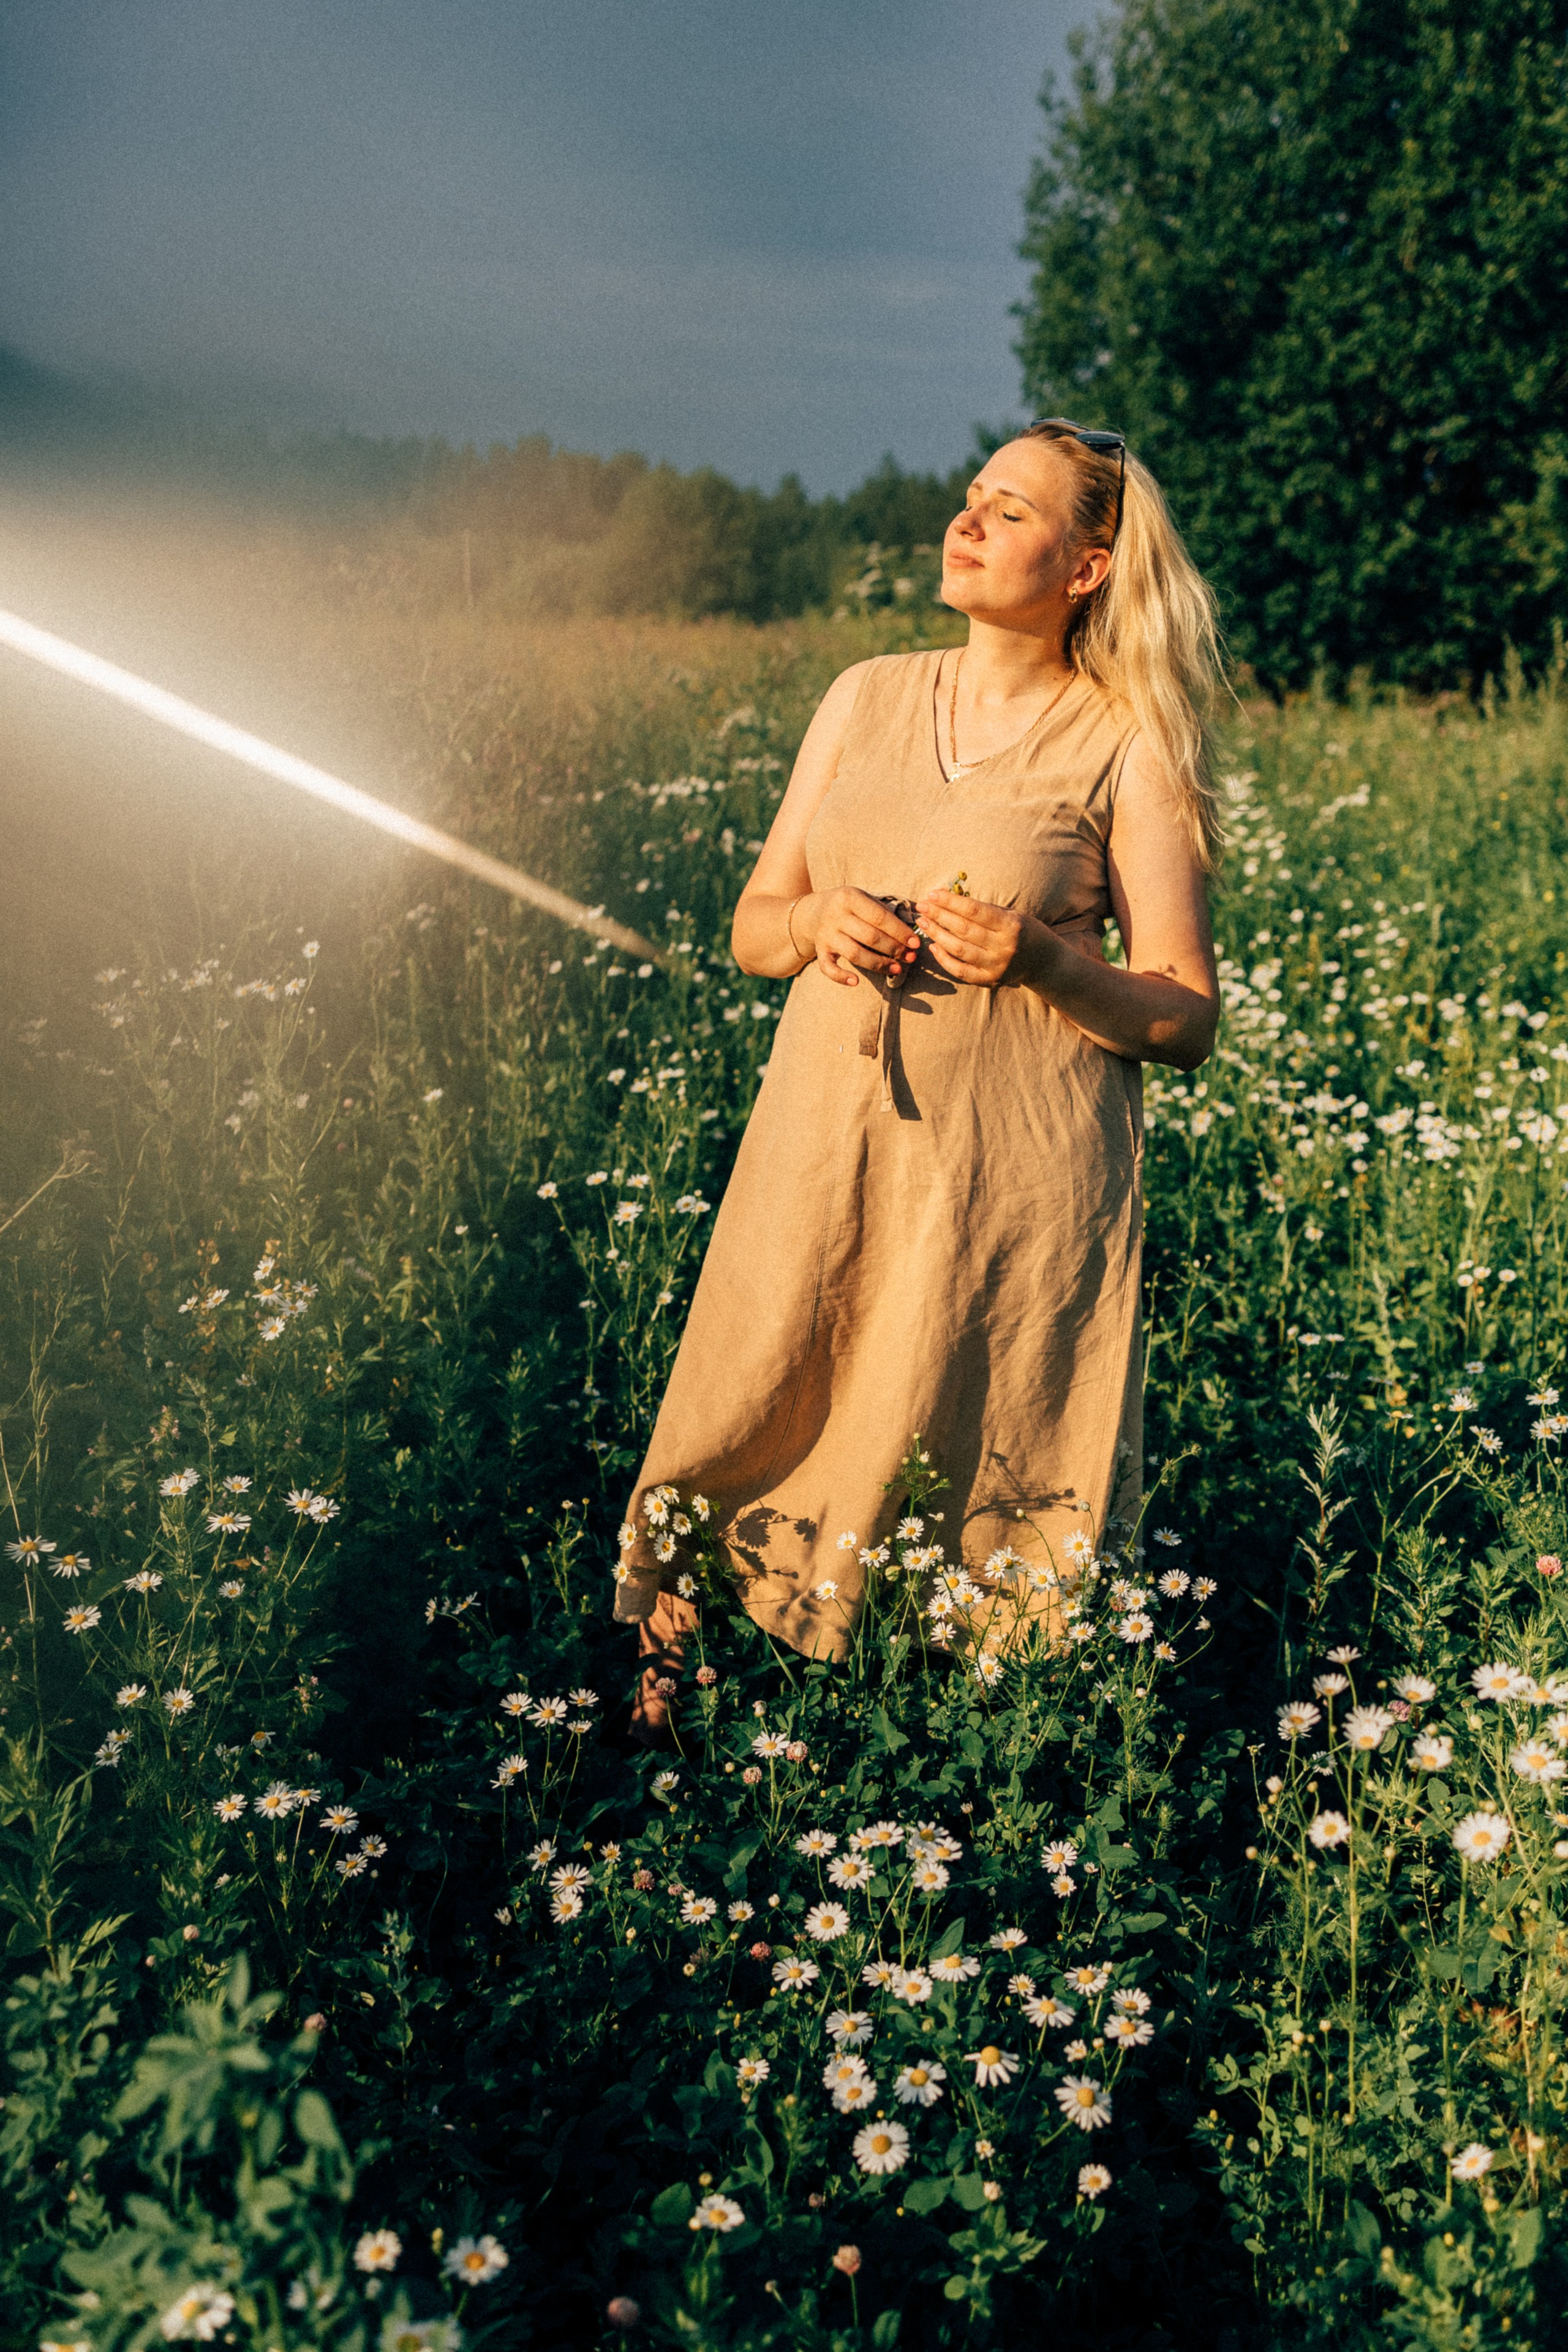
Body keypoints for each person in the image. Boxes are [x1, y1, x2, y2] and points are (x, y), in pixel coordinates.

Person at [616, 420, 1223, 1743]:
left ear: (1085, 565)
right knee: (760, 1382)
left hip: (1008, 1179)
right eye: (970, 499)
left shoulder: (1125, 741)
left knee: (970, 1452)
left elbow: (1182, 1016)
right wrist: (820, 920)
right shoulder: (864, 693)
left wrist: (1042, 964)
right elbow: (750, 926)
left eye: (1010, 512)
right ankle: (685, 1723)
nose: (968, 522)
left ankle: (941, 1750)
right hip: (823, 1143)